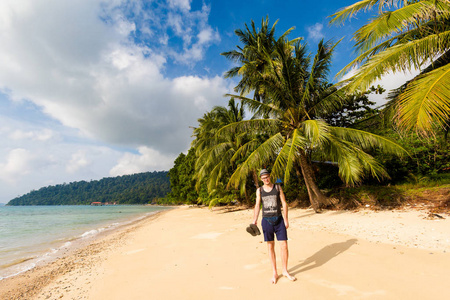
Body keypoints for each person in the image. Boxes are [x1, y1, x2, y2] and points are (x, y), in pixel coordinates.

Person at [253, 169, 296, 284]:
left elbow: (284, 203)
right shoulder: (260, 190)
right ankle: (274, 273)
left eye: (267, 177)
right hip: (266, 221)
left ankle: (285, 271)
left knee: (284, 245)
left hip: (279, 220)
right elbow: (257, 205)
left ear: (270, 177)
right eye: (263, 178)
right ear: (261, 179)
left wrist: (286, 219)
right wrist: (254, 220)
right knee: (270, 246)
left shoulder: (277, 188)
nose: (266, 179)